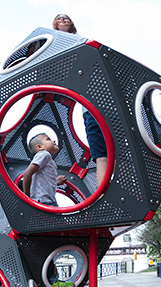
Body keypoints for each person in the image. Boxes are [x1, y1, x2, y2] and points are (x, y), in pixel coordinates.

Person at [53, 13, 108, 186]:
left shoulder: (81, 43)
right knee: (100, 153)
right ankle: (103, 193)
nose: (63, 18)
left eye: (66, 17)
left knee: (112, 152)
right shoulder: (53, 44)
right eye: (59, 17)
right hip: (89, 110)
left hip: (101, 105)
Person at [23, 133, 74, 287]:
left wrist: (55, 181)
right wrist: (27, 198)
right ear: (40, 147)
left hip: (48, 202)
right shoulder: (43, 155)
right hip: (44, 203)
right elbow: (27, 174)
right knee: (50, 240)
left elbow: (42, 181)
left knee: (48, 242)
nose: (53, 140)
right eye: (48, 139)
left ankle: (52, 278)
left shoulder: (48, 161)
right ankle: (52, 279)